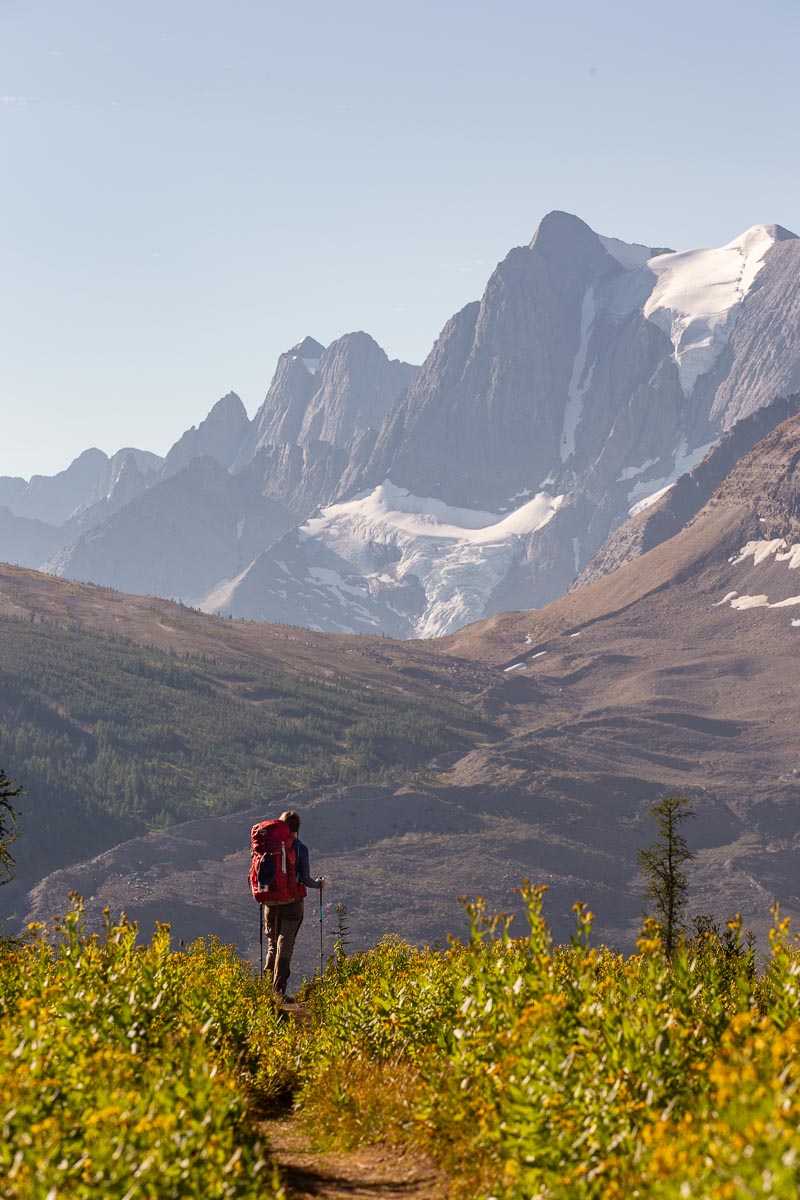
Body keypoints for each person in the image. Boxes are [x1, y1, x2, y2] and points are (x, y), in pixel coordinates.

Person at [263, 809, 324, 998]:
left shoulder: (267, 846)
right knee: (285, 945)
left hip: (270, 903)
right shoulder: (299, 848)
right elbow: (305, 879)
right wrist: (319, 883)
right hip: (292, 903)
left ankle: (265, 988)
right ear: (298, 828)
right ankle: (278, 991)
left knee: (272, 944)